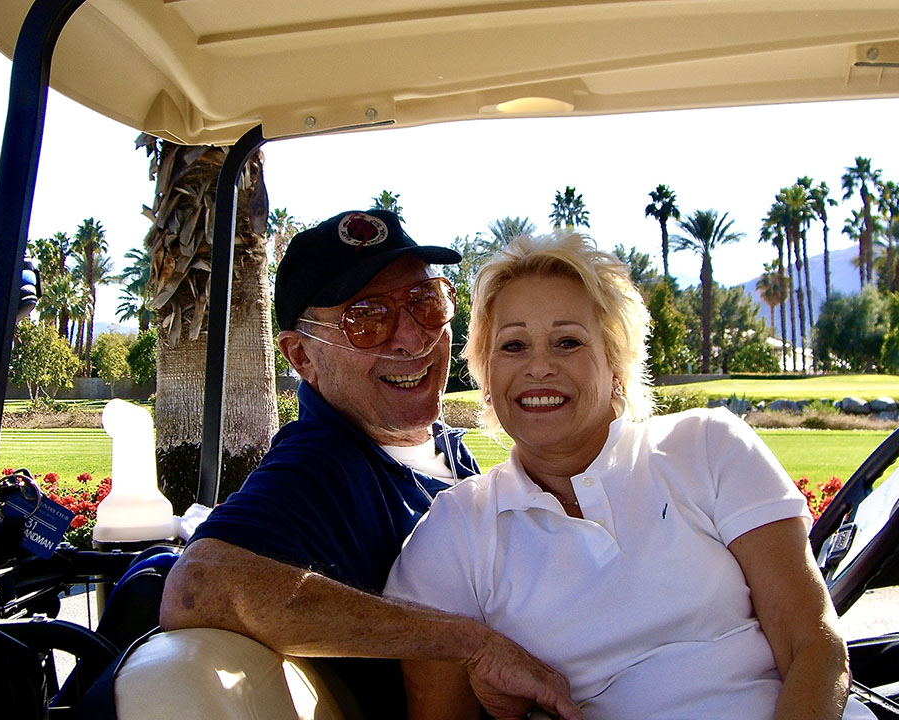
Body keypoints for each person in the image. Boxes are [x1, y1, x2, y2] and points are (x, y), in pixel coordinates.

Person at [383, 233, 899, 719]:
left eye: (569, 342)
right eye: (513, 345)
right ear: (486, 375)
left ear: (616, 363)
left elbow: (811, 644)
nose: (538, 367)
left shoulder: (705, 446)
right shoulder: (455, 533)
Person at [158, 210, 584, 720]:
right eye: (366, 318)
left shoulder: (441, 447)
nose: (411, 338)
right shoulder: (319, 466)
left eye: (426, 303)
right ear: (301, 358)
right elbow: (197, 586)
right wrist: (469, 643)